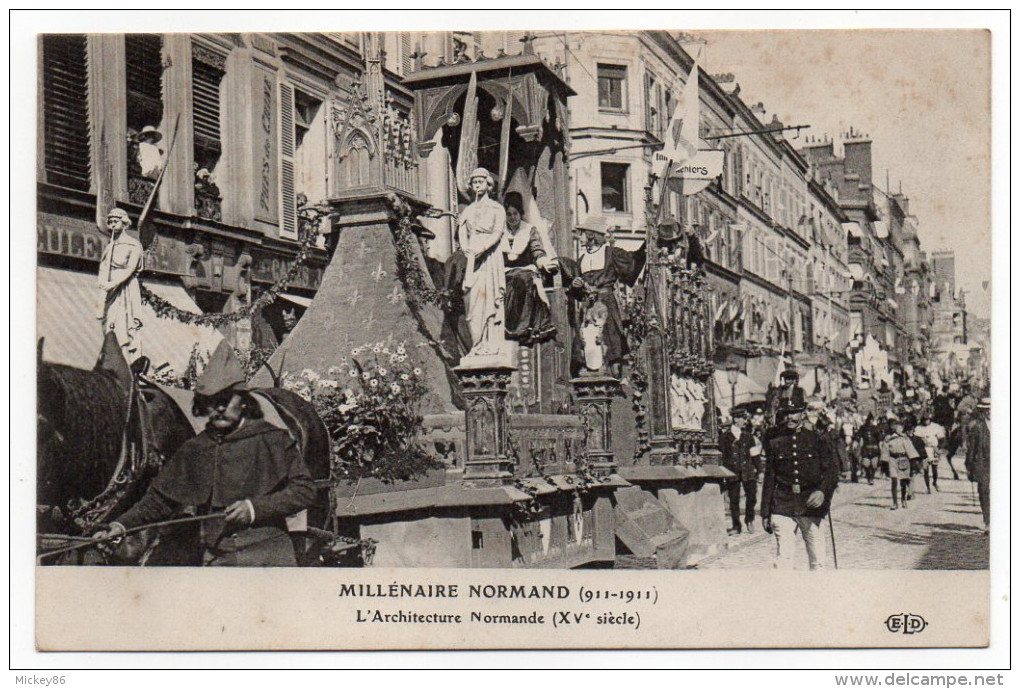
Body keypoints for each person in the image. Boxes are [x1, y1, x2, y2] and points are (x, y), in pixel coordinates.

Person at [92, 342, 317, 566]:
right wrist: (120, 526)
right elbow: (158, 502)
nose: (219, 408)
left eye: (226, 400)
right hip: (218, 560)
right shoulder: (195, 449)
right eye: (211, 402)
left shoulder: (273, 439)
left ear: (244, 402)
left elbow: (304, 490)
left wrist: (254, 509)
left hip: (269, 558)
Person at [761, 398, 840, 570]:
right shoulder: (776, 442)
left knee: (817, 559)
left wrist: (822, 492)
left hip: (810, 504)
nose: (790, 418)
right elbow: (770, 477)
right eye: (786, 413)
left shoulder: (817, 439)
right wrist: (765, 512)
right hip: (783, 503)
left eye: (794, 413)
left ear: (803, 414)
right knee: (784, 559)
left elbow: (832, 471)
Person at [562, 219, 646, 378]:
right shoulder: (582, 259)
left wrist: (647, 244)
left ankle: (614, 380)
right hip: (588, 308)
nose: (580, 238)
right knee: (585, 345)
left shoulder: (611, 253)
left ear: (591, 235)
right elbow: (577, 294)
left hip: (606, 305)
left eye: (582, 234)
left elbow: (632, 263)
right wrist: (576, 285)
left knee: (611, 346)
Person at [456, 168, 507, 358]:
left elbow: (497, 232)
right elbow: (461, 231)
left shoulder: (496, 208)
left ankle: (489, 344)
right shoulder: (468, 210)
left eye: (481, 181)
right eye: (474, 182)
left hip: (489, 257)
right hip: (472, 258)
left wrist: (483, 248)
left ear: (488, 184)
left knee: (489, 298)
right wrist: (466, 247)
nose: (477, 185)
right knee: (471, 299)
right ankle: (476, 345)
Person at [501, 192, 557, 345]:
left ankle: (522, 328)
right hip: (504, 272)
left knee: (523, 280)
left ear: (521, 214)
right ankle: (504, 327)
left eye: (515, 213)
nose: (512, 218)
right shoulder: (499, 231)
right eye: (509, 214)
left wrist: (544, 261)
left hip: (525, 270)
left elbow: (537, 249)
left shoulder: (529, 230)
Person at [97, 207, 145, 361]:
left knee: (123, 323)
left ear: (124, 223)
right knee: (110, 323)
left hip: (125, 288)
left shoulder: (133, 245)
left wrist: (114, 283)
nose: (111, 224)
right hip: (110, 289)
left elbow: (130, 269)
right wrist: (103, 283)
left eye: (115, 220)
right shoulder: (110, 246)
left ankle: (127, 361)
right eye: (110, 221)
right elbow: (104, 267)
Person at [719, 408, 761, 536]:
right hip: (732, 472)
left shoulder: (748, 436)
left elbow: (755, 455)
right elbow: (723, 457)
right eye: (742, 418)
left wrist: (760, 470)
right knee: (734, 499)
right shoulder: (724, 437)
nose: (745, 421)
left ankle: (749, 519)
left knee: (752, 497)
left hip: (748, 471)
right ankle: (736, 526)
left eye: (745, 418)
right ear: (736, 419)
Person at [880, 418, 919, 510]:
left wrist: (914, 462)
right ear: (894, 428)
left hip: (903, 460)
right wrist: (884, 463)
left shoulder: (905, 438)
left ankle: (903, 500)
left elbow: (911, 450)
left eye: (901, 427)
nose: (900, 429)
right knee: (894, 480)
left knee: (903, 481)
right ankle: (894, 503)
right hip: (892, 460)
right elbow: (885, 451)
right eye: (898, 427)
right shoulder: (888, 438)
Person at [964, 398, 990, 534]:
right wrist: (969, 465)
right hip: (983, 463)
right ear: (983, 412)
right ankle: (988, 521)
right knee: (984, 490)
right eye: (987, 410)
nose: (990, 412)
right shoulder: (977, 427)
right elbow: (972, 449)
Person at [913, 413, 946, 493]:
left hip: (934, 449)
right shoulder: (919, 428)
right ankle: (928, 487)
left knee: (934, 468)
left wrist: (940, 448)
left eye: (927, 420)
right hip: (925, 450)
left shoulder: (936, 427)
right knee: (926, 470)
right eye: (924, 420)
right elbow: (916, 440)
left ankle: (934, 482)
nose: (926, 421)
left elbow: (942, 439)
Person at [857, 413, 881, 485]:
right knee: (866, 464)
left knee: (874, 465)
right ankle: (868, 476)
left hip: (874, 448)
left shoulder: (876, 428)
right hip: (866, 448)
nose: (870, 421)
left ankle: (872, 478)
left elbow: (879, 438)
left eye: (872, 420)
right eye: (869, 420)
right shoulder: (862, 427)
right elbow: (859, 436)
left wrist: (880, 446)